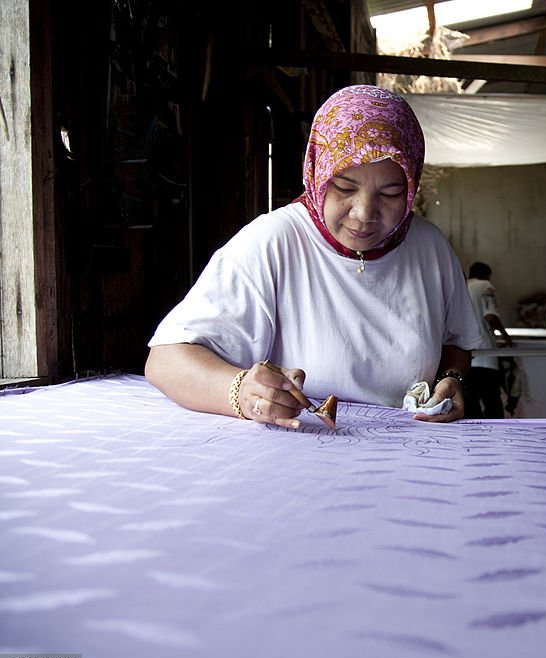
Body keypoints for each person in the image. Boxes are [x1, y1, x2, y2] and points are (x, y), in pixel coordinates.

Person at [145, 85, 484, 426]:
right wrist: (241, 392)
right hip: (300, 454)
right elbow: (166, 361)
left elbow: (457, 342)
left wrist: (452, 378)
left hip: (406, 454)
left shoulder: (429, 248)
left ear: (411, 187)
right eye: (345, 188)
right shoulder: (274, 242)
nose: (364, 213)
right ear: (317, 173)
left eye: (391, 192)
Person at [465, 262, 515, 419]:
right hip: (485, 356)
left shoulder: (461, 286)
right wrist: (506, 338)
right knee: (493, 403)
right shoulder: (485, 286)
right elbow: (490, 316)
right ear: (487, 275)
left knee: (470, 405)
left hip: (464, 357)